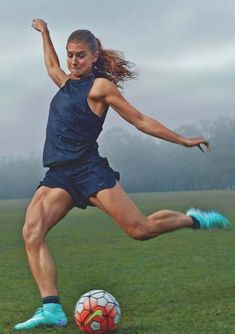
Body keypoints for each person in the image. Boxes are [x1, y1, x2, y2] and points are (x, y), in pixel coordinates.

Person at [14, 18, 230, 330]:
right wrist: (45, 34)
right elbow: (50, 65)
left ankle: (193, 218)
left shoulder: (100, 88)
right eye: (70, 54)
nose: (73, 61)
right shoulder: (64, 82)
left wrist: (182, 139)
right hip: (59, 175)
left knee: (141, 230)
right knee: (31, 232)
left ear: (94, 56)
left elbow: (139, 120)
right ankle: (51, 309)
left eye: (80, 55)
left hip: (89, 171)